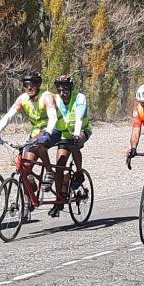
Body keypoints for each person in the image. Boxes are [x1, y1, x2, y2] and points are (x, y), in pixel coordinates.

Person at [0, 71, 58, 193]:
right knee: (25, 168)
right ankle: (28, 201)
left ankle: (49, 171)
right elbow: (9, 116)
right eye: (26, 85)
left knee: (38, 143)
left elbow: (53, 117)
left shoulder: (46, 97)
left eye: (32, 84)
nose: (29, 87)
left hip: (53, 129)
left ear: (38, 85)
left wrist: (48, 132)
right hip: (36, 132)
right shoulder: (23, 99)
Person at [45, 74, 92, 217]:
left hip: (81, 130)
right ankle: (59, 200)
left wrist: (77, 134)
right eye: (59, 89)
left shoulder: (79, 98)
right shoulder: (55, 99)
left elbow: (78, 118)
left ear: (71, 88)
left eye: (65, 88)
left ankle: (79, 173)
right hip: (64, 134)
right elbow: (52, 117)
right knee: (59, 166)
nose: (62, 91)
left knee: (75, 144)